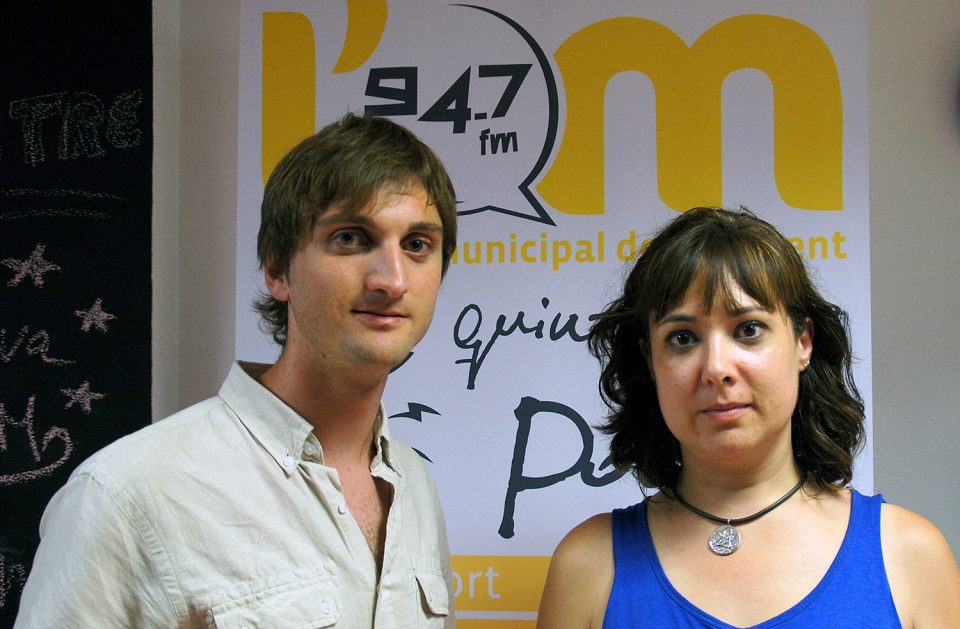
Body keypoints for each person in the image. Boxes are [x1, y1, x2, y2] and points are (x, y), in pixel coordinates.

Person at [16, 113, 458, 628]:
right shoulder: (124, 495)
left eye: (417, 244)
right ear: (276, 269)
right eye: (350, 238)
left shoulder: (415, 486)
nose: (392, 280)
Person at [537, 207, 960, 628]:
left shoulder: (909, 556)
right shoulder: (588, 567)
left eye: (748, 330)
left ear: (803, 342)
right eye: (682, 338)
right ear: (650, 360)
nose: (716, 368)